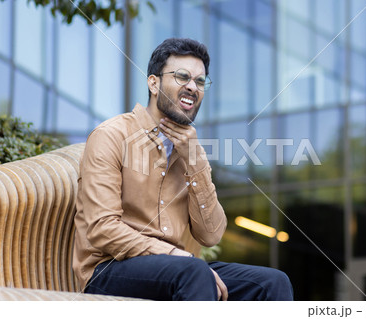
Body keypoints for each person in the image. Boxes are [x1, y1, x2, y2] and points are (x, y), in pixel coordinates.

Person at [72, 38, 294, 301]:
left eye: (200, 82)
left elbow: (211, 234)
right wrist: (176, 255)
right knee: (193, 272)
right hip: (109, 269)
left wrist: (194, 160)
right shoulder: (112, 135)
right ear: (153, 83)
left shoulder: (190, 150)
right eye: (182, 77)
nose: (192, 87)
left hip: (180, 269)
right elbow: (102, 228)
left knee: (272, 283)